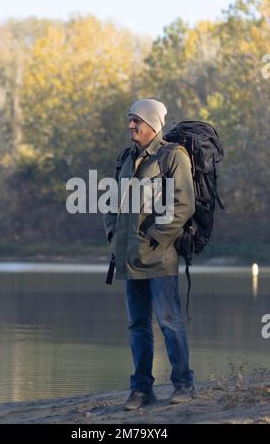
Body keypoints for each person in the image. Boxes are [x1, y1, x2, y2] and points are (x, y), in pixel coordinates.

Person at [104, 98, 196, 411]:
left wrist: (158, 236)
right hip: (128, 258)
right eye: (130, 120)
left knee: (169, 321)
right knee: (137, 325)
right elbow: (113, 202)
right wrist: (112, 233)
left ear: (153, 125)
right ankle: (141, 389)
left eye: (137, 121)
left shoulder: (173, 156)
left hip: (159, 257)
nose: (131, 125)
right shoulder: (126, 157)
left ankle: (184, 384)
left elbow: (184, 205)